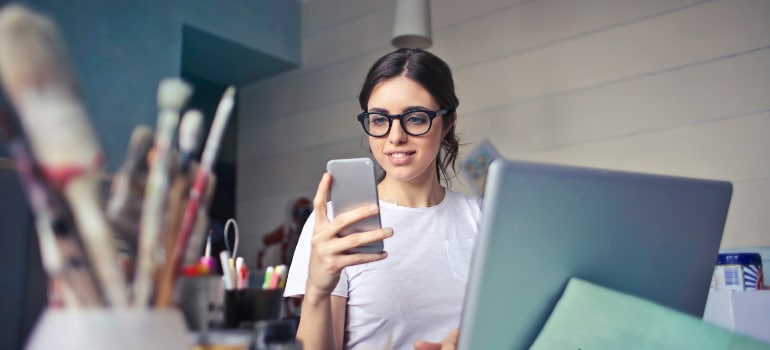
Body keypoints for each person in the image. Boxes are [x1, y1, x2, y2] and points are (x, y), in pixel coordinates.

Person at [284, 48, 481, 350]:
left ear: (448, 122)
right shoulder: (337, 225)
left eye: (415, 118)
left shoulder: (482, 218)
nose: (395, 137)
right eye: (379, 120)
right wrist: (317, 290)